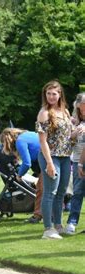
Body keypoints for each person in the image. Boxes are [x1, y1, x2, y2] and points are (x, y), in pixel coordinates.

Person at [36, 80, 73, 239]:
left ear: (60, 95)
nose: (51, 96)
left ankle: (58, 225)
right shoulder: (44, 113)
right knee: (50, 192)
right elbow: (42, 140)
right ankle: (48, 229)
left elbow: (67, 136)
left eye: (54, 93)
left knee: (61, 193)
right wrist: (49, 163)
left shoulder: (65, 111)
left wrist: (75, 135)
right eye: (48, 93)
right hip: (50, 157)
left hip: (65, 156)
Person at [0, 128, 43, 223]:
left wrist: (19, 175)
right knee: (46, 190)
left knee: (41, 190)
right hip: (50, 158)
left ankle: (37, 216)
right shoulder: (27, 134)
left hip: (45, 161)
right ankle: (49, 215)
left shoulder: (20, 141)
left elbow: (27, 163)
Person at [65, 93, 85, 234]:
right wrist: (73, 136)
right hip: (77, 159)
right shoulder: (74, 122)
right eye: (81, 109)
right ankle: (72, 222)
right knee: (77, 193)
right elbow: (69, 143)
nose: (83, 111)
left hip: (81, 162)